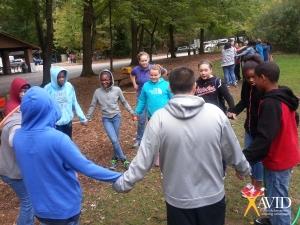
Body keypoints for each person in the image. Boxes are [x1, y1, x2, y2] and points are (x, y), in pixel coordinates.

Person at [113, 67, 251, 225]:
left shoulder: (159, 119)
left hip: (178, 199)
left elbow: (144, 159)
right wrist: (243, 168)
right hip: (210, 196)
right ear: (195, 87)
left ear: (170, 88)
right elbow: (232, 150)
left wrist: (125, 182)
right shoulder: (216, 113)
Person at [13, 86, 122, 225]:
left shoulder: (18, 137)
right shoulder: (58, 139)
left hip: (40, 210)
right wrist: (119, 177)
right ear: (49, 107)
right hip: (64, 208)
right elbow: (86, 167)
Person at [243, 62, 300, 225]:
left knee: (278, 199)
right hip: (284, 155)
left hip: (279, 159)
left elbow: (264, 139)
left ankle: (280, 220)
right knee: (272, 192)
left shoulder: (271, 103)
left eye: (256, 78)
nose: (253, 81)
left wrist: (243, 158)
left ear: (263, 78)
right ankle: (273, 219)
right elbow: (295, 119)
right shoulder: (283, 96)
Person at [227, 55, 264, 198]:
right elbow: (244, 101)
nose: (251, 80)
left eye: (253, 77)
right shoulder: (248, 85)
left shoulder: (264, 88)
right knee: (250, 156)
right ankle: (253, 183)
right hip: (249, 128)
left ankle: (258, 186)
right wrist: (233, 111)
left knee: (258, 158)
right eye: (247, 78)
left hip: (260, 131)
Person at [86, 69, 134, 170]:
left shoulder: (117, 90)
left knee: (115, 140)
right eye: (102, 80)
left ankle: (114, 159)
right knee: (114, 139)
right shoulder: (97, 92)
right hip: (106, 119)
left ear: (111, 79)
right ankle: (124, 160)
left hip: (116, 117)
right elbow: (92, 105)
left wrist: (131, 112)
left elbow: (124, 102)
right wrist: (88, 117)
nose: (104, 82)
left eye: (107, 79)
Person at [0, 87, 34, 225]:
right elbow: (15, 140)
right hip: (11, 171)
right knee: (28, 201)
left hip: (8, 166)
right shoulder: (18, 122)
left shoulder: (18, 114)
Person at [134, 64, 173, 166]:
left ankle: (169, 155)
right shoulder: (146, 86)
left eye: (155, 75)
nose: (153, 77)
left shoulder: (166, 85)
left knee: (166, 136)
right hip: (152, 116)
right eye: (151, 75)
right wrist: (137, 112)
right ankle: (158, 156)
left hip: (167, 115)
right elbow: (142, 100)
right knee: (156, 137)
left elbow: (173, 98)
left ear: (160, 74)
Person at [130, 51, 167, 148]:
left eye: (146, 60)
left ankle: (163, 143)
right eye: (142, 60)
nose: (144, 62)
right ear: (139, 61)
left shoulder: (154, 68)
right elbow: (132, 74)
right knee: (142, 121)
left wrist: (161, 81)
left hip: (159, 106)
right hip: (143, 95)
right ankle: (140, 139)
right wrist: (134, 84)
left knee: (162, 126)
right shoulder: (137, 71)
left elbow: (165, 72)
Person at [44, 66, 87, 138]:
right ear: (54, 77)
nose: (62, 79)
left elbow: (75, 103)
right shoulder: (47, 89)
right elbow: (44, 107)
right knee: (58, 146)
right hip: (55, 125)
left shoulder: (69, 86)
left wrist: (82, 118)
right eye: (59, 77)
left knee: (68, 142)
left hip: (68, 123)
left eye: (63, 77)